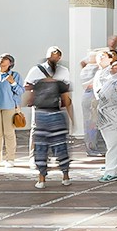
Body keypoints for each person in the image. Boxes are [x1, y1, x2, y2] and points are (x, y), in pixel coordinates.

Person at [26, 50, 73, 189]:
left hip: (40, 116)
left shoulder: (38, 83)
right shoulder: (60, 84)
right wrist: (72, 118)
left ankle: (41, 179)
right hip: (56, 116)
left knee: (40, 147)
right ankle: (65, 176)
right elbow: (67, 101)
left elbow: (29, 99)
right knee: (60, 147)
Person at [92, 49, 117, 182]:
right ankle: (115, 170)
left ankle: (111, 172)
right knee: (112, 145)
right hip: (105, 116)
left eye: (116, 66)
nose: (113, 68)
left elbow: (108, 94)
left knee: (115, 145)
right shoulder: (102, 76)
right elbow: (100, 94)